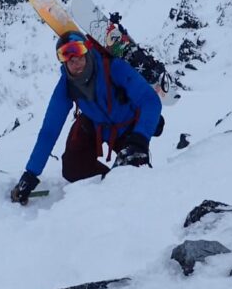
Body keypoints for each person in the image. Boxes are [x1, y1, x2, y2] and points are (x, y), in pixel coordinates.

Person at [10, 30, 163, 204]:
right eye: (69, 59)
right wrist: (30, 174)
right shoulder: (66, 85)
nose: (76, 63)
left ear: (87, 50)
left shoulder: (113, 67)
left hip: (129, 127)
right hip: (95, 124)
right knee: (73, 169)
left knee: (136, 170)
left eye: (79, 54)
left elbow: (151, 101)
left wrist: (140, 140)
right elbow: (49, 131)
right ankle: (109, 182)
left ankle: (123, 177)